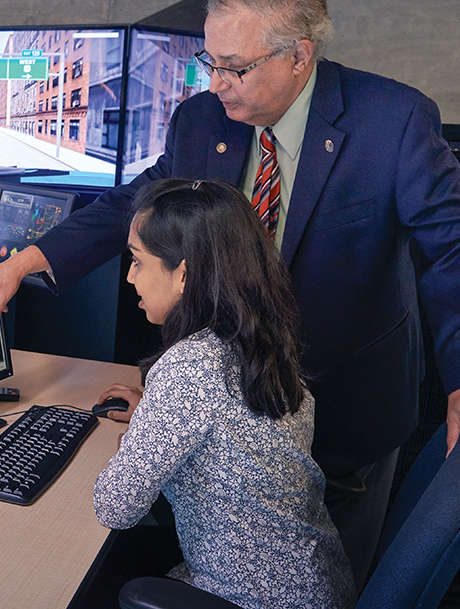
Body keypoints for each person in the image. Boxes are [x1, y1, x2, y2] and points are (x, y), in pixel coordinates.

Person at [0, 0, 460, 586]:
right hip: (232, 407)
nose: (216, 83)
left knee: (330, 581)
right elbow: (134, 206)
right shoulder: (202, 122)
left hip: (347, 405)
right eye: (209, 62)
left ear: (299, 55)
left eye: (235, 67)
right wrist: (22, 263)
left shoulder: (394, 120)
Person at [94, 178, 355, 608]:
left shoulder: (190, 367)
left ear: (183, 274)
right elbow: (235, 433)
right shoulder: (262, 341)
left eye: (138, 261)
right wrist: (158, 416)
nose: (130, 276)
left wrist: (148, 429)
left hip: (247, 599)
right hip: (313, 584)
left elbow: (114, 506)